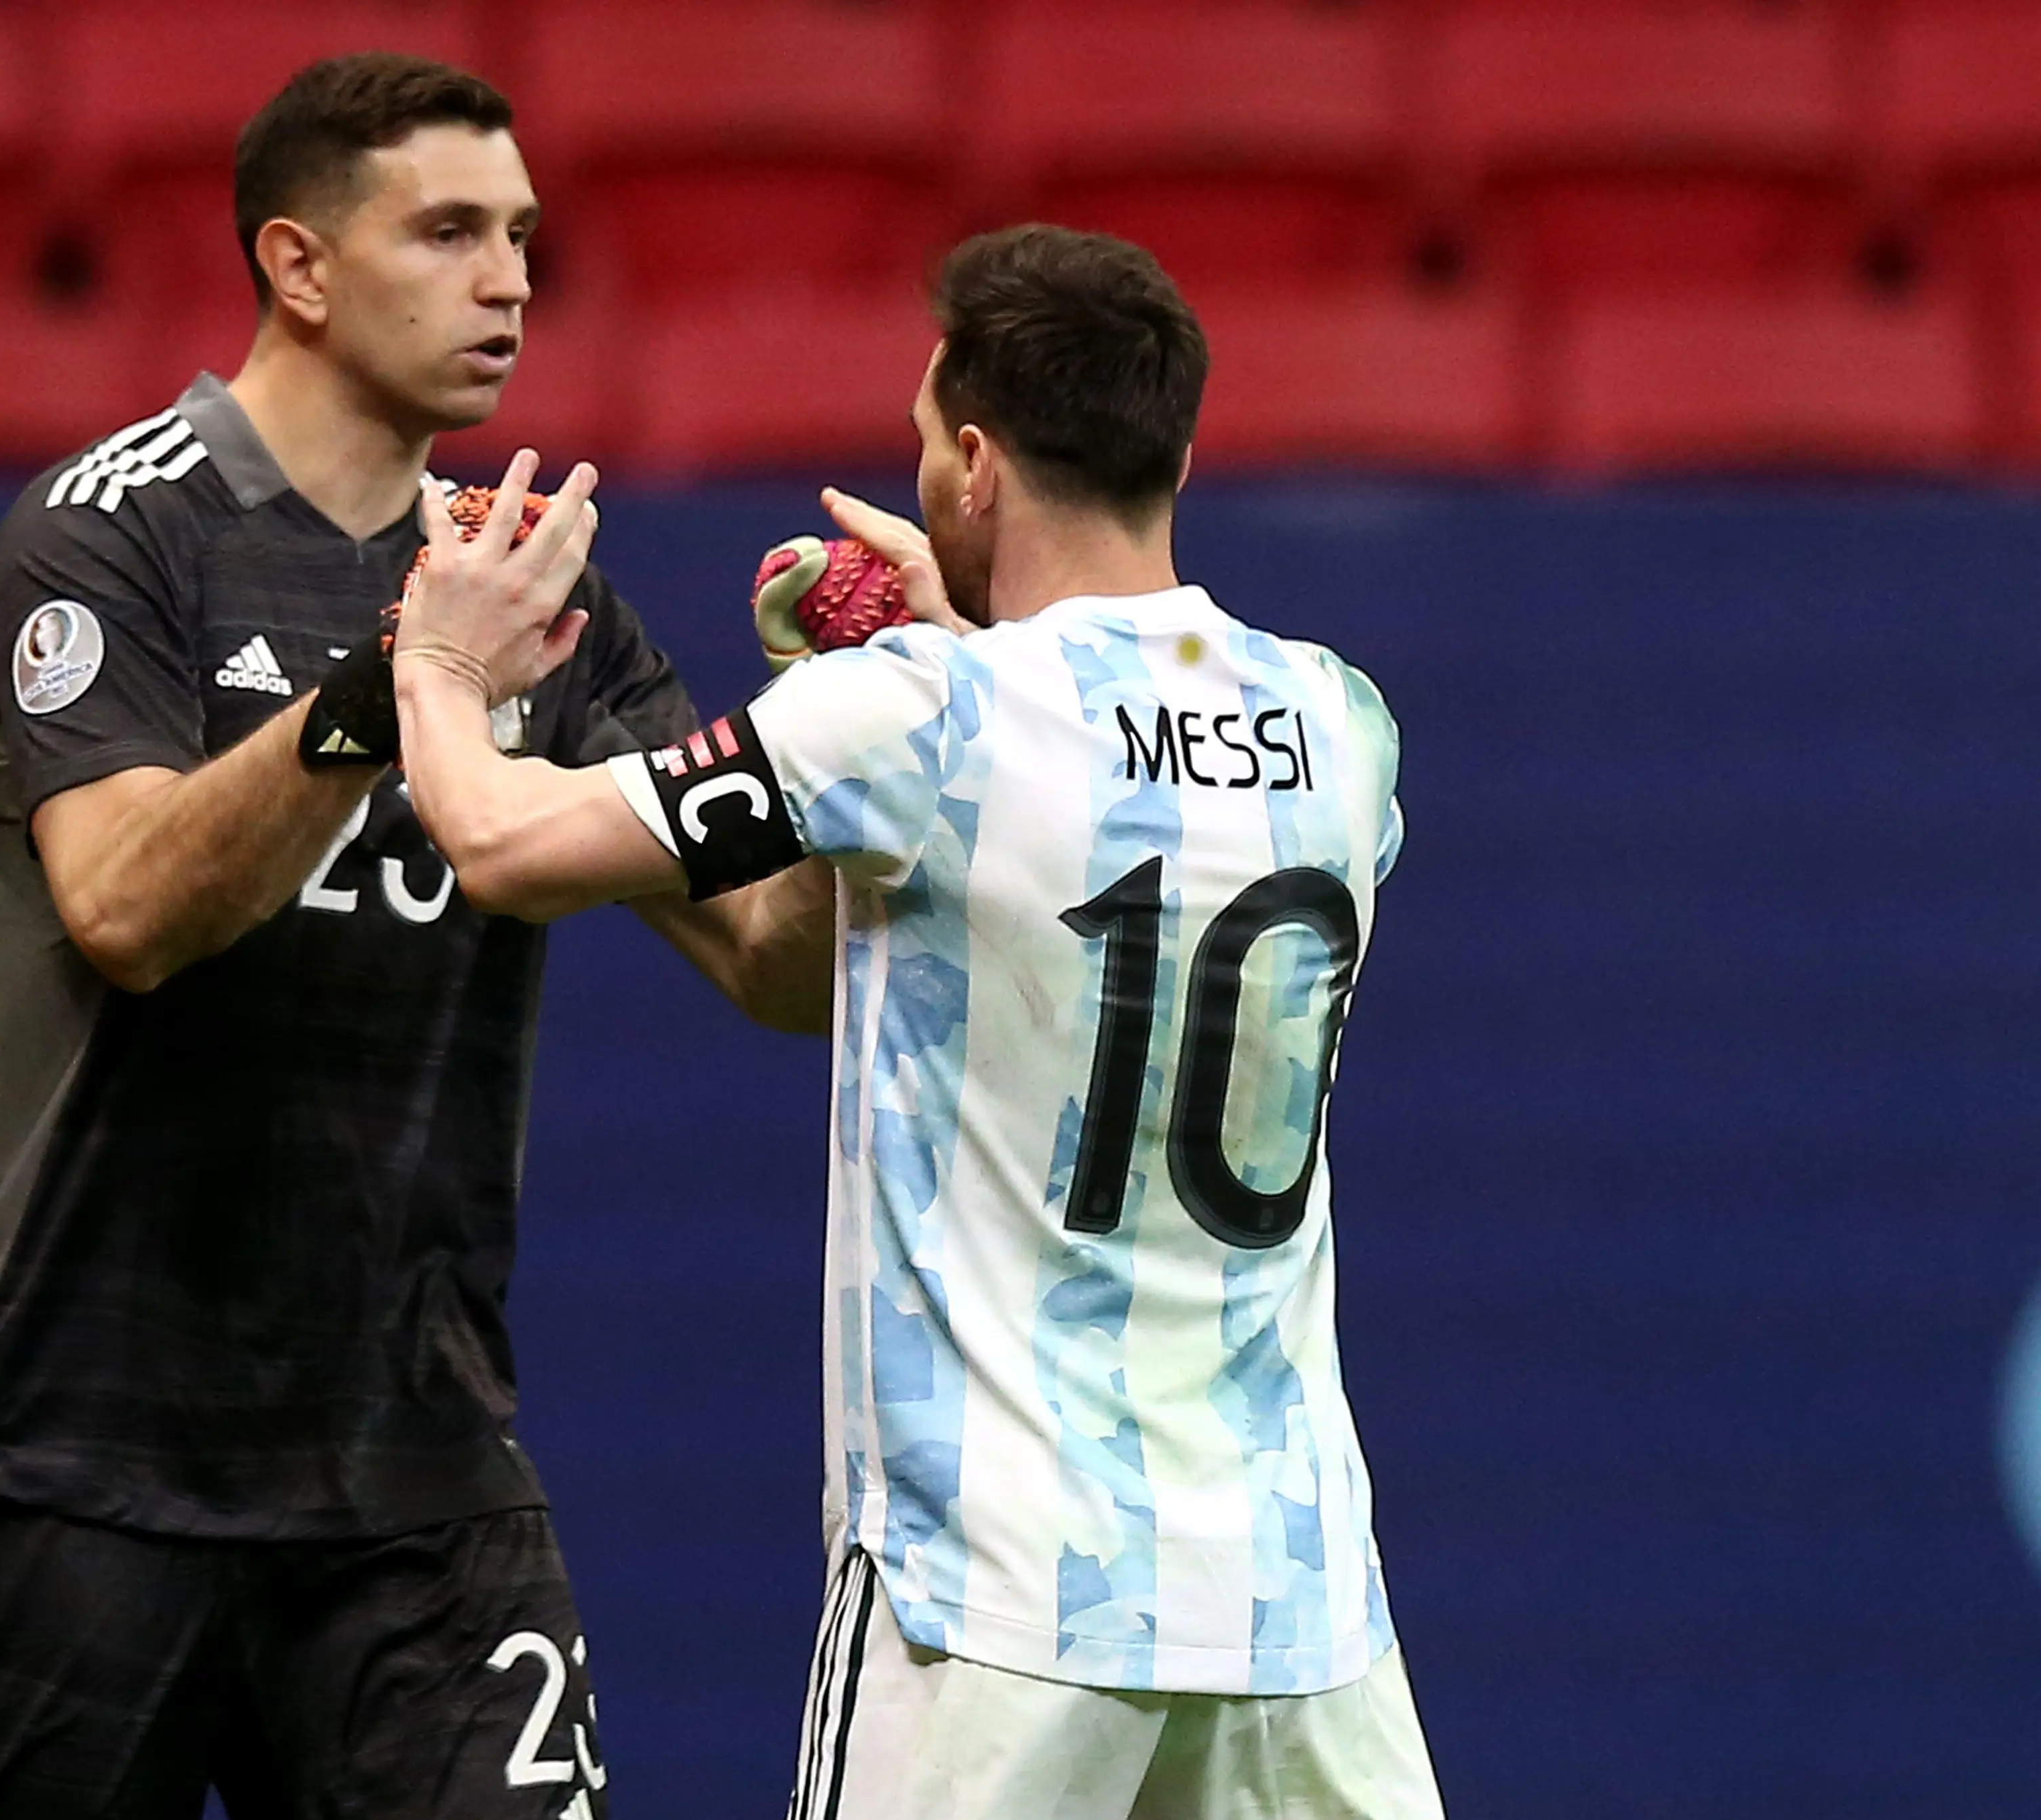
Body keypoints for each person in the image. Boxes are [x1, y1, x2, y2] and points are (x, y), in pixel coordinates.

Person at [0, 52, 827, 1820]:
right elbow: (128, 906)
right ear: (296, 265)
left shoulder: (545, 604)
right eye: (449, 230)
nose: (510, 278)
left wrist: (851, 734)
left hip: (414, 1481)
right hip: (79, 1459)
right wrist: (392, 688)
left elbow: (776, 960)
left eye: (523, 235)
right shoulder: (109, 534)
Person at [390, 224, 1446, 1819]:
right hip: (1293, 1597)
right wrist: (958, 650)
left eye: (918, 440)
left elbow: (498, 843)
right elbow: (1111, 801)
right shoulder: (1337, 718)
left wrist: (436, 656)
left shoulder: (911, 718)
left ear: (970, 462)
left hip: (997, 1600)